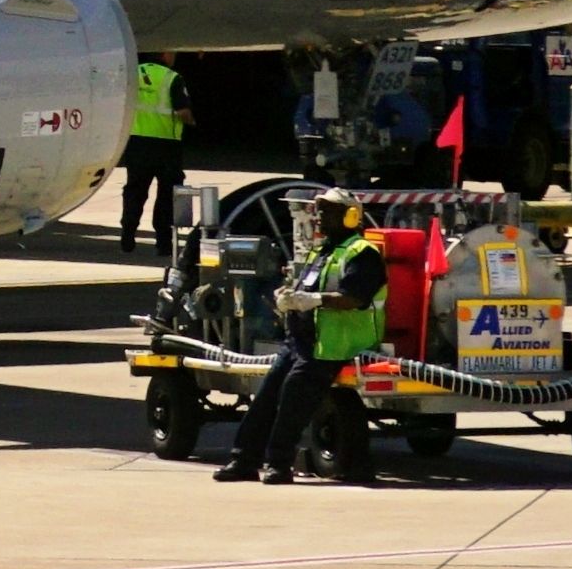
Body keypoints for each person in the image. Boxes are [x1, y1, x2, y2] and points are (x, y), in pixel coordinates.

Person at [220, 215, 393, 486]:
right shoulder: (322, 251)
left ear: (348, 216)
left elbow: (355, 297)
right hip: (301, 340)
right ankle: (243, 460)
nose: (318, 217)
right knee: (266, 396)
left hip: (335, 343)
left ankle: (279, 463)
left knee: (293, 397)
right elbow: (308, 286)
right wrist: (287, 296)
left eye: (326, 212)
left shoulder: (362, 253)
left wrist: (313, 300)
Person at [119, 57, 190, 249]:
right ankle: (164, 241)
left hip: (137, 142)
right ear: (165, 54)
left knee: (135, 190)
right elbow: (182, 111)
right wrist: (193, 123)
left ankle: (127, 235)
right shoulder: (171, 77)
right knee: (168, 192)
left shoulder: (131, 74)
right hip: (167, 144)